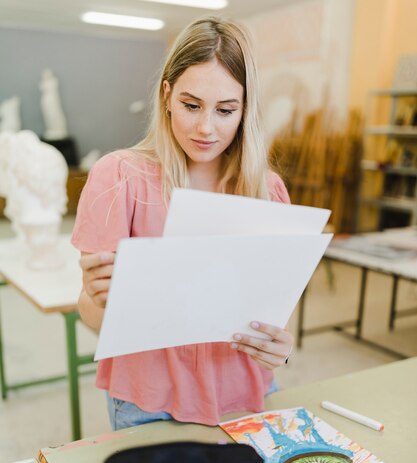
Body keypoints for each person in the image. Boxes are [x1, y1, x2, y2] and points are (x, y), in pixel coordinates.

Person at [72, 16, 294, 431]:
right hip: (149, 401)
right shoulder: (119, 177)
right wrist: (99, 298)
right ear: (167, 95)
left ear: (245, 109)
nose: (205, 128)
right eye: (191, 105)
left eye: (226, 110)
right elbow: (90, 314)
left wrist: (280, 349)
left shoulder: (268, 190)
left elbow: (277, 321)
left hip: (247, 391)